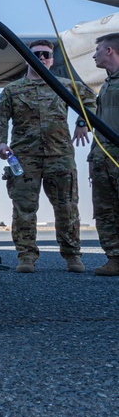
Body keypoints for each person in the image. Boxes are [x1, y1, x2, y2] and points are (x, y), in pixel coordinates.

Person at [0, 39, 97, 273]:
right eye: (36, 54)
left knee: (67, 207)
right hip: (25, 157)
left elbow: (90, 101)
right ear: (27, 58)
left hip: (60, 156)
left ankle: (72, 256)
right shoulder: (12, 90)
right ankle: (26, 256)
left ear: (52, 59)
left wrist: (82, 123)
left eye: (46, 55)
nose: (41, 58)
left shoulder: (65, 86)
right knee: (24, 208)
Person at [89, 33, 119, 276]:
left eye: (97, 50)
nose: (93, 55)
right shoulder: (107, 84)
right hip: (102, 157)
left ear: (109, 51)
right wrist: (93, 156)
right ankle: (115, 259)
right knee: (104, 210)